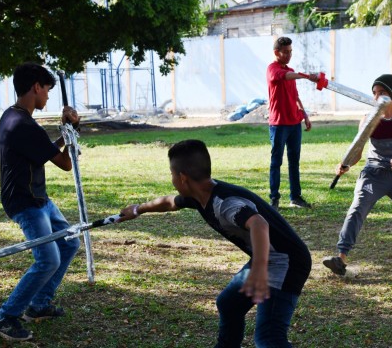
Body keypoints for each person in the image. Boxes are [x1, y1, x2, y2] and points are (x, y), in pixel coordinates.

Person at [119, 139, 312, 348]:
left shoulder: (225, 204)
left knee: (269, 338)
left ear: (182, 178)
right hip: (269, 258)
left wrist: (258, 271)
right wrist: (138, 209)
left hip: (287, 262)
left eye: (172, 174)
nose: (172, 179)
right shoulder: (199, 195)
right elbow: (169, 202)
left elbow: (259, 224)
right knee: (228, 304)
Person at [0, 63, 81, 341]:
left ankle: (39, 304)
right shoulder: (23, 125)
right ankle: (5, 317)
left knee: (69, 242)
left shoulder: (14, 117)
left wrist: (67, 131)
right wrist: (73, 128)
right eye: (47, 90)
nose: (49, 96)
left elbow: (45, 148)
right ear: (35, 87)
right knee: (48, 259)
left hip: (38, 197)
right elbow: (66, 162)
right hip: (25, 201)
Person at [323, 74, 392, 276]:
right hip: (373, 174)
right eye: (374, 93)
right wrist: (346, 165)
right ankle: (341, 258)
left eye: (382, 93)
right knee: (356, 210)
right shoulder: (368, 119)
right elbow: (358, 150)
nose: (376, 98)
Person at [266, 36, 318, 210]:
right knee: (276, 162)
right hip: (279, 124)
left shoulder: (290, 70)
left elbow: (295, 96)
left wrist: (305, 115)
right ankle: (274, 197)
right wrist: (307, 76)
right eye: (285, 52)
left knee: (294, 161)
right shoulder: (273, 69)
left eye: (290, 52)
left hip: (294, 123)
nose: (289, 55)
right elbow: (286, 76)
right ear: (276, 52)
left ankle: (295, 197)